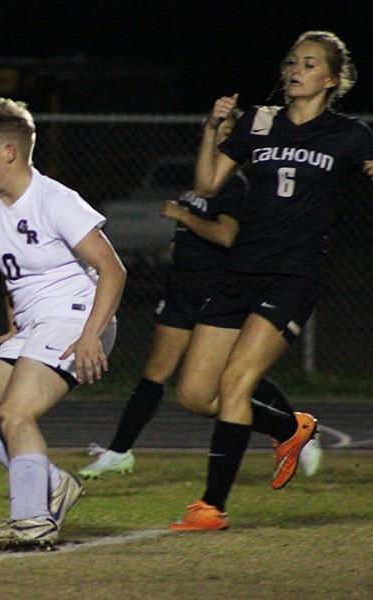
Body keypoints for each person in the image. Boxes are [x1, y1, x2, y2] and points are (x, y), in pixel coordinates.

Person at [169, 30, 373, 531]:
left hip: (292, 275)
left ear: (331, 78)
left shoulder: (349, 133)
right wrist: (211, 127)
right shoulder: (261, 122)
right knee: (195, 395)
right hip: (238, 270)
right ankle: (291, 426)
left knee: (237, 383)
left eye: (308, 64)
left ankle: (210, 507)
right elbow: (207, 185)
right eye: (290, 62)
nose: (295, 70)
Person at [79, 112, 322, 480]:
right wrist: (178, 239)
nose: (218, 139)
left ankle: (291, 426)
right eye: (213, 130)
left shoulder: (236, 184)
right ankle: (119, 451)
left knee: (233, 377)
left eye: (227, 133)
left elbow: (226, 235)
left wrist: (182, 216)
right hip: (181, 286)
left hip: (214, 288)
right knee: (155, 373)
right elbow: (193, 224)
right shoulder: (198, 184)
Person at [0, 97, 126, 550]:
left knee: (15, 412)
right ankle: (52, 484)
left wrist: (91, 335)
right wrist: (15, 328)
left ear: (9, 152)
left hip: (77, 316)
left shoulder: (55, 200)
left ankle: (32, 520)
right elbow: (14, 275)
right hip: (38, 324)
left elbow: (113, 270)